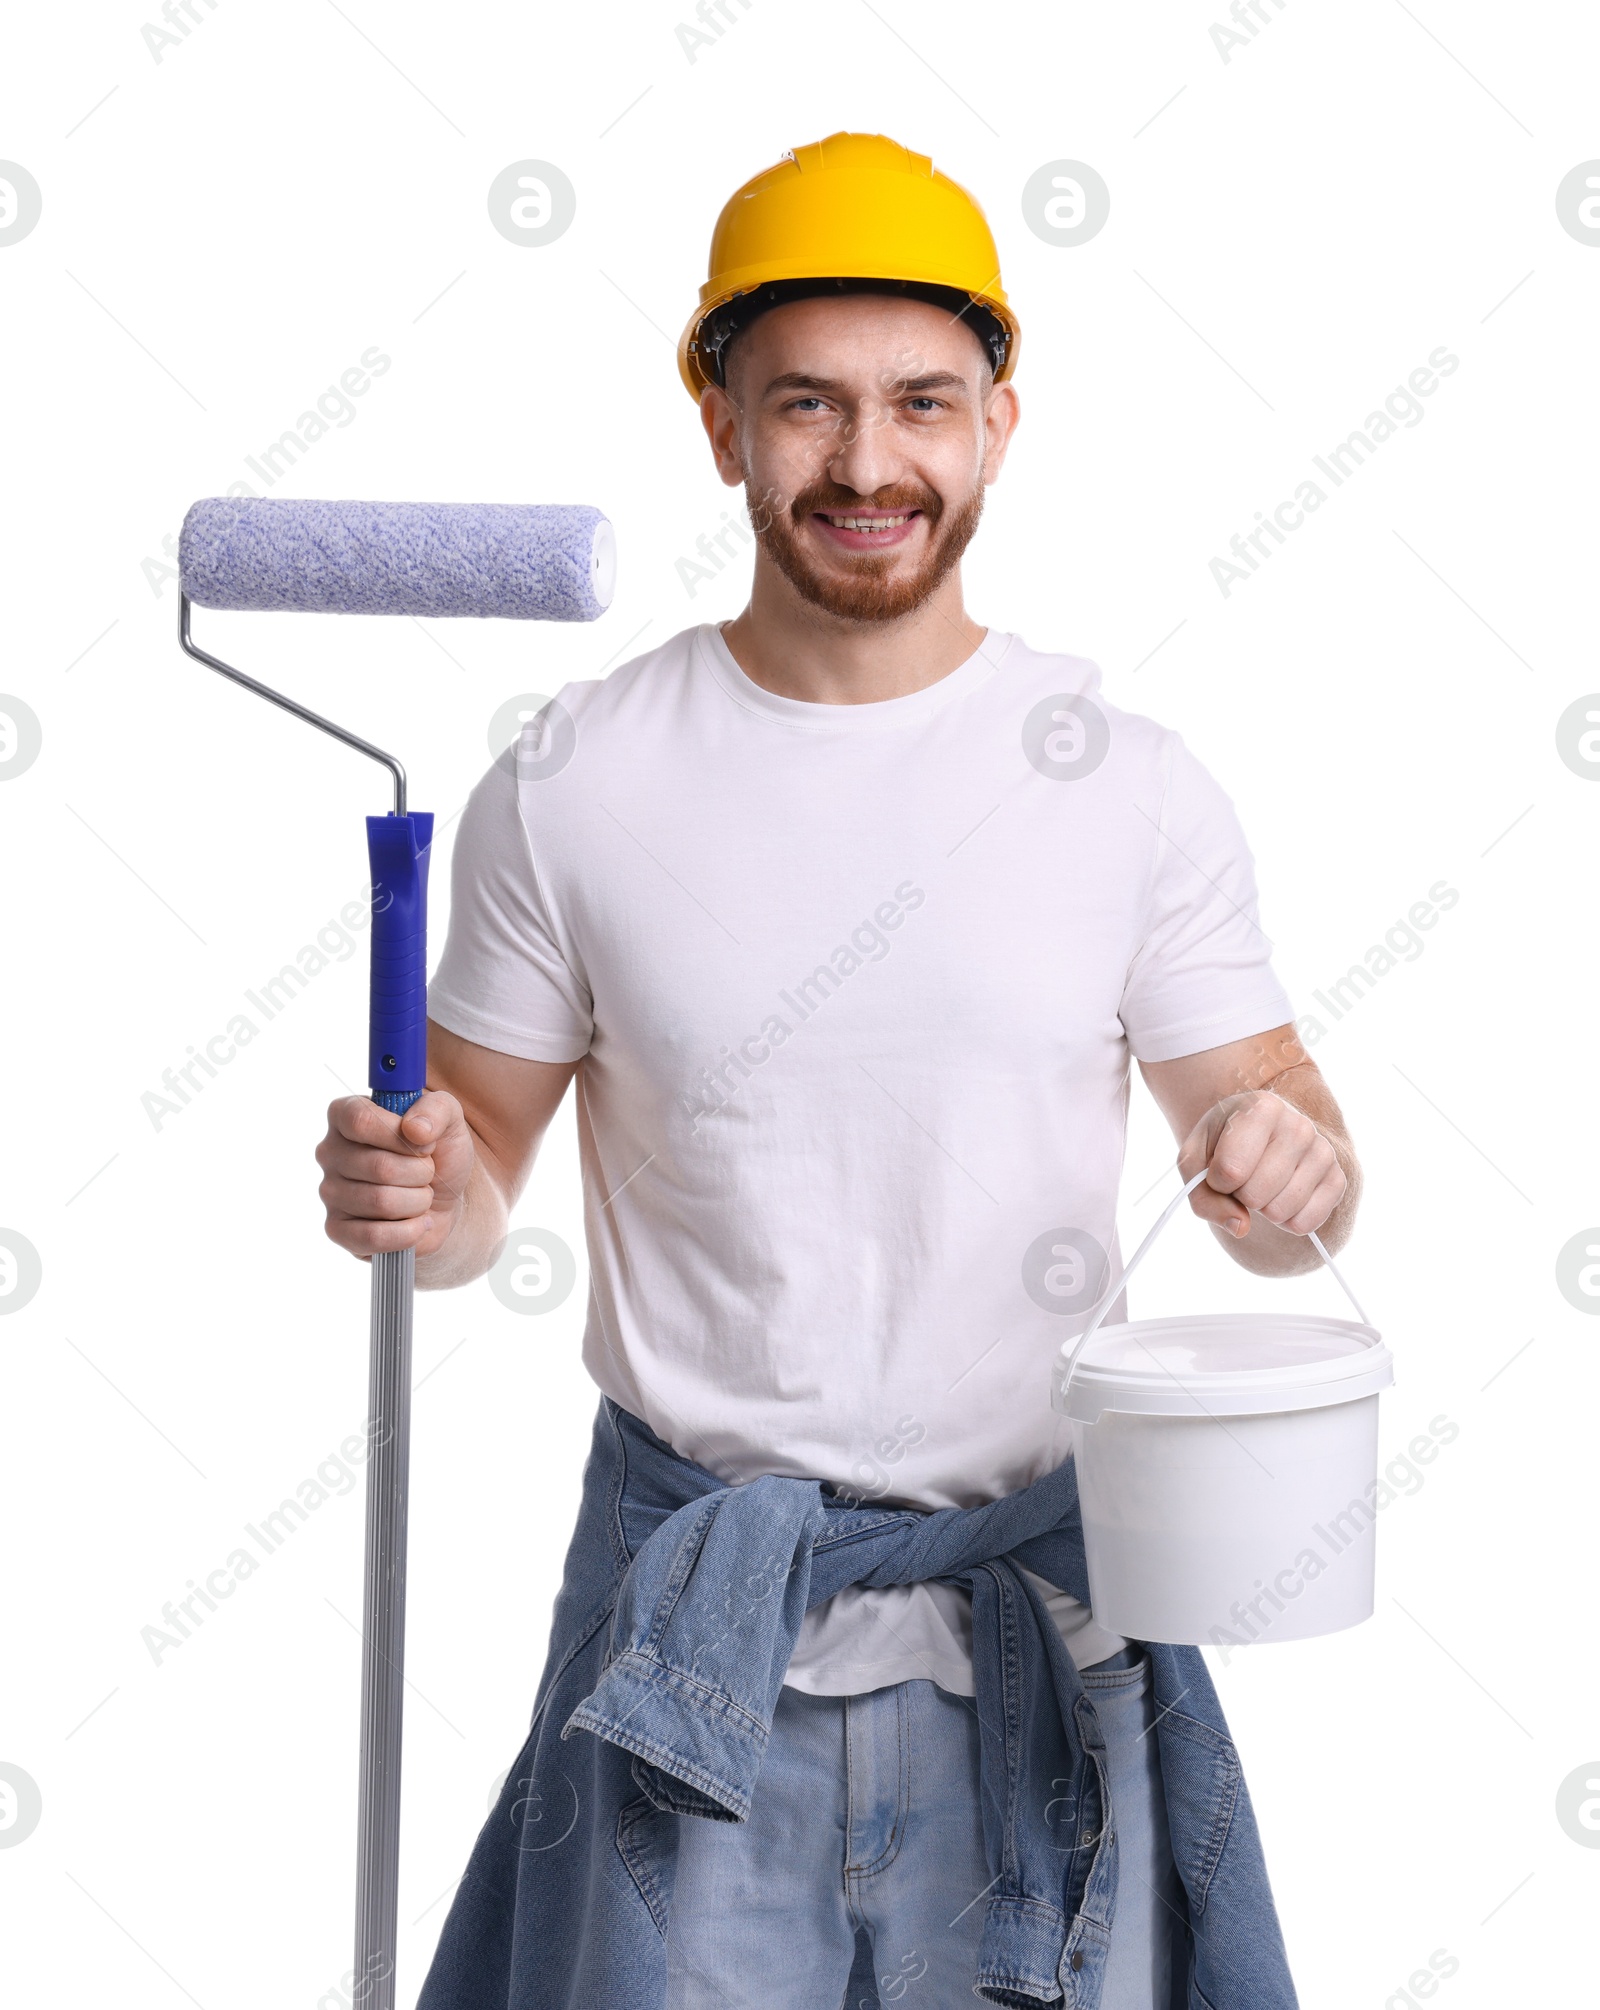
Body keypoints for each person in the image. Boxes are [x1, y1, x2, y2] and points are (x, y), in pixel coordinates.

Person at [316, 133, 1355, 2010]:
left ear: (1000, 422)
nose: (869, 465)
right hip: (692, 1661)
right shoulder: (576, 782)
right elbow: (469, 1191)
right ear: (719, 421)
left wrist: (1288, 1165)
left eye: (920, 405)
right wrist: (419, 1190)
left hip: (1045, 1644)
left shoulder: (1120, 785)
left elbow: (1289, 1169)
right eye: (806, 403)